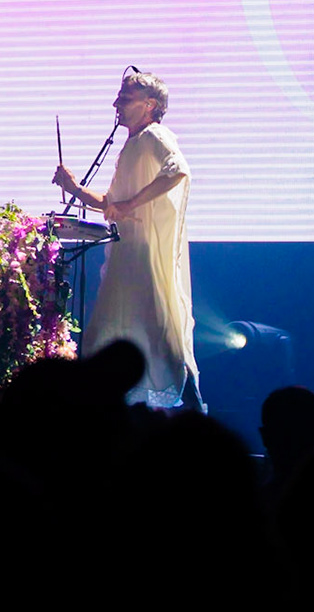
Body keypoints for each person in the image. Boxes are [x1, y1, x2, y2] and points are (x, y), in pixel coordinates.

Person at [53, 69, 199, 408]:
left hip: (143, 257)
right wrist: (73, 188)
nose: (116, 103)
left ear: (149, 105)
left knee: (161, 333)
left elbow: (178, 170)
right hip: (126, 257)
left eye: (125, 98)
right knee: (124, 333)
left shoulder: (154, 136)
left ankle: (195, 414)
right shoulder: (133, 143)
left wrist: (131, 204)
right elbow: (109, 204)